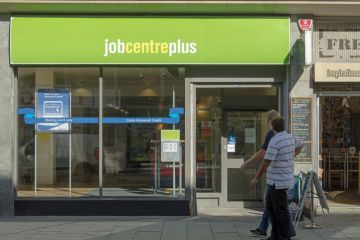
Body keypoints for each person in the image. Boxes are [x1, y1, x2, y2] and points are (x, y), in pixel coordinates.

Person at [250, 117, 303, 240]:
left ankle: (285, 236)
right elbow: (301, 145)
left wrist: (256, 178)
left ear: (272, 127)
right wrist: (292, 156)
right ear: (284, 126)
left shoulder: (275, 141)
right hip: (280, 179)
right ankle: (275, 234)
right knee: (270, 206)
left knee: (280, 209)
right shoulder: (290, 137)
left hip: (277, 181)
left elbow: (266, 162)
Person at [239, 109, 279, 237]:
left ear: (269, 121)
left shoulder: (272, 134)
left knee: (274, 204)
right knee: (271, 202)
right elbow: (298, 146)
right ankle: (264, 228)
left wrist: (248, 162)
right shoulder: (285, 133)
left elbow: (263, 153)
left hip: (275, 175)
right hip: (283, 175)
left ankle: (283, 230)